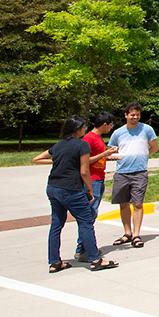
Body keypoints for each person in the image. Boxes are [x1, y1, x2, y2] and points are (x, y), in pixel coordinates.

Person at [32, 115, 119, 272]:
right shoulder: (82, 145)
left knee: (56, 224)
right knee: (86, 222)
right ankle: (95, 259)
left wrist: (59, 160)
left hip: (53, 188)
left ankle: (55, 262)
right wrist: (89, 189)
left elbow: (36, 159)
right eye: (84, 127)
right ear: (77, 129)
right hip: (71, 189)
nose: (85, 130)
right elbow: (84, 171)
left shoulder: (58, 145)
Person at [109, 102, 158, 248]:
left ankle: (136, 234)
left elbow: (154, 148)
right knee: (123, 204)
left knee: (137, 203)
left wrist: (142, 156)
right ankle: (127, 233)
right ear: (126, 115)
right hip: (122, 172)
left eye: (137, 115)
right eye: (132, 115)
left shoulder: (147, 129)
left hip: (140, 172)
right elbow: (112, 150)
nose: (135, 117)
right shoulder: (118, 133)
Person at [73, 112, 118, 262]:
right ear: (104, 124)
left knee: (91, 215)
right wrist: (105, 153)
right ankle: (82, 250)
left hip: (99, 178)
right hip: (92, 180)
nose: (111, 128)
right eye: (111, 125)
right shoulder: (89, 138)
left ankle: (85, 248)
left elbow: (96, 157)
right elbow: (85, 161)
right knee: (88, 216)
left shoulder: (97, 138)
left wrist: (107, 156)